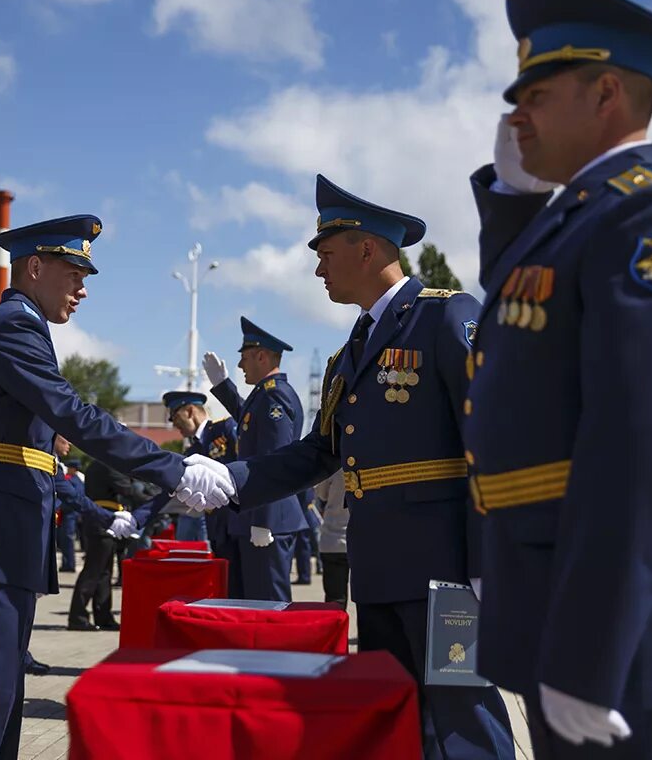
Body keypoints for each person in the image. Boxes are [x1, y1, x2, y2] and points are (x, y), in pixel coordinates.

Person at [460, 0, 652, 753]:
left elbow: (638, 450)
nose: (518, 115)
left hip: (619, 623)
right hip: (552, 592)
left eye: (536, 94)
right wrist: (514, 198)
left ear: (606, 95)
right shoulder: (583, 217)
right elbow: (523, 323)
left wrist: (592, 654)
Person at [186, 174, 513, 758]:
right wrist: (229, 480)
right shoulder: (350, 352)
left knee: (463, 717)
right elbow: (320, 452)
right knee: (399, 717)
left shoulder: (444, 317)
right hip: (383, 567)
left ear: (367, 249)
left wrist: (490, 560)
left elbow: (496, 436)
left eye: (327, 254)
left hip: (450, 573)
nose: (318, 271)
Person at [0, 213, 230, 760]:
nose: (83, 290)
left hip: (3, 537)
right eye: (74, 274)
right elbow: (75, 415)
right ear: (34, 266)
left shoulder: (21, 327)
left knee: (0, 693)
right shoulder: (14, 327)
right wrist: (173, 469)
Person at [205, 318, 310, 602]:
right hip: (254, 518)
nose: (240, 366)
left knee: (268, 604)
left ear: (261, 356)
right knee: (247, 602)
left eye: (244, 358)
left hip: (267, 521)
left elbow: (274, 463)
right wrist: (223, 386)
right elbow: (248, 419)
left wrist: (263, 520)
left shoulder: (275, 396)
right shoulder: (264, 395)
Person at [163, 389, 238, 554]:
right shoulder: (192, 451)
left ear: (189, 411)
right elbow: (170, 488)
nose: (174, 424)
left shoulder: (225, 428)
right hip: (216, 528)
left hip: (239, 524)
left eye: (175, 417)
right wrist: (138, 517)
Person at [67, 455, 129, 632]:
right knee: (94, 571)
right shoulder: (108, 465)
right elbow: (126, 488)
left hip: (101, 521)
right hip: (102, 521)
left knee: (104, 572)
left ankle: (103, 616)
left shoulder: (98, 464)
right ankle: (77, 617)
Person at [313, 473, 349, 609]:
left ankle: (337, 630)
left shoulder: (335, 465)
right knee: (368, 602)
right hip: (362, 539)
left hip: (333, 537)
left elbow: (322, 494)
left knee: (335, 599)